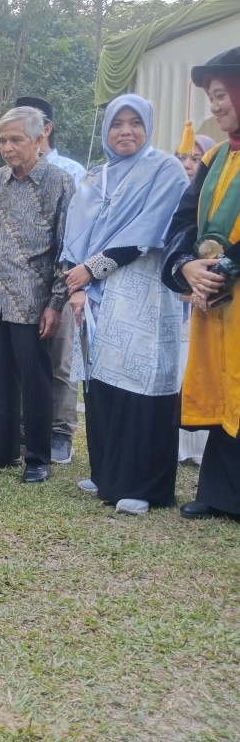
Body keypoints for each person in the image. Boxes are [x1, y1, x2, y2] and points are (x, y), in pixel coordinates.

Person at [63, 94, 189, 515]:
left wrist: (91, 269)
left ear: (148, 127)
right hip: (99, 296)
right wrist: (77, 285)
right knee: (101, 381)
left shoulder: (165, 169)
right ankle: (107, 474)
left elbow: (148, 231)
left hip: (144, 292)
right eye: (118, 124)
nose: (126, 132)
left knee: (142, 380)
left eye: (135, 123)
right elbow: (73, 235)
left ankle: (144, 485)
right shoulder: (95, 177)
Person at [0, 106, 74, 484]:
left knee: (36, 380)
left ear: (38, 139)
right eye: (3, 140)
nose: (8, 147)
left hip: (34, 302)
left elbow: (65, 247)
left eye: (16, 140)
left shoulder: (58, 183)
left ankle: (38, 457)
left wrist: (55, 302)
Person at [161, 45, 240, 520]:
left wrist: (227, 266)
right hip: (215, 299)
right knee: (222, 385)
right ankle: (220, 494)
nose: (215, 105)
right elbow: (183, 222)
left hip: (231, 287)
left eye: (222, 94)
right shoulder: (213, 157)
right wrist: (186, 265)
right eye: (211, 97)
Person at [15, 95, 87, 465]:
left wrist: (68, 289)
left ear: (45, 129)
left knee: (60, 362)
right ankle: (27, 429)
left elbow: (77, 236)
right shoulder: (10, 175)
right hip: (20, 289)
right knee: (26, 360)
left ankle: (60, 432)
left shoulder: (72, 173)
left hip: (61, 284)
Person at [174, 132, 217, 465]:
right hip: (176, 293)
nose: (188, 165)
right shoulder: (167, 192)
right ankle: (181, 444)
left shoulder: (216, 192)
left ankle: (205, 448)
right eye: (182, 157)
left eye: (195, 158)